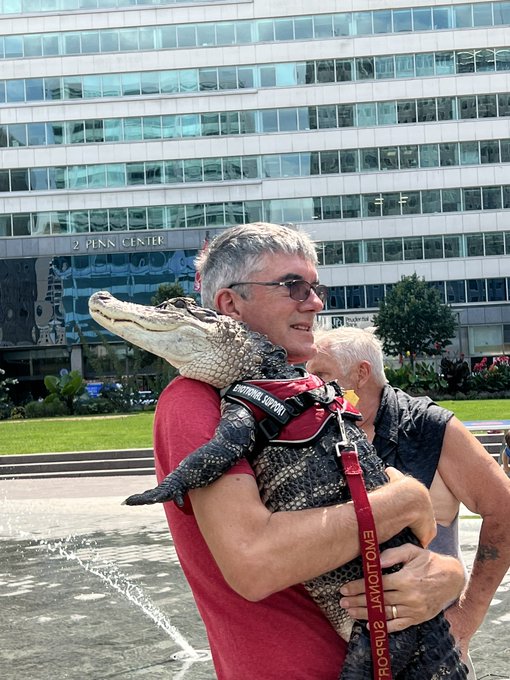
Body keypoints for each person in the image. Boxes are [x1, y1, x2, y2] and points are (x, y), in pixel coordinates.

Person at [154, 223, 465, 679]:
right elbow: (255, 562)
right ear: (230, 305)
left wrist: (447, 576)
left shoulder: (308, 393)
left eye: (314, 287)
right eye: (292, 286)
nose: (315, 302)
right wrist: (409, 498)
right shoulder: (194, 399)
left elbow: (407, 531)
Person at [307, 326, 510, 679]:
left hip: (427, 652)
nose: (310, 386)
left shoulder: (428, 426)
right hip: (333, 650)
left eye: (321, 375)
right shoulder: (320, 429)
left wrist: (464, 619)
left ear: (361, 374)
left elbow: (505, 510)